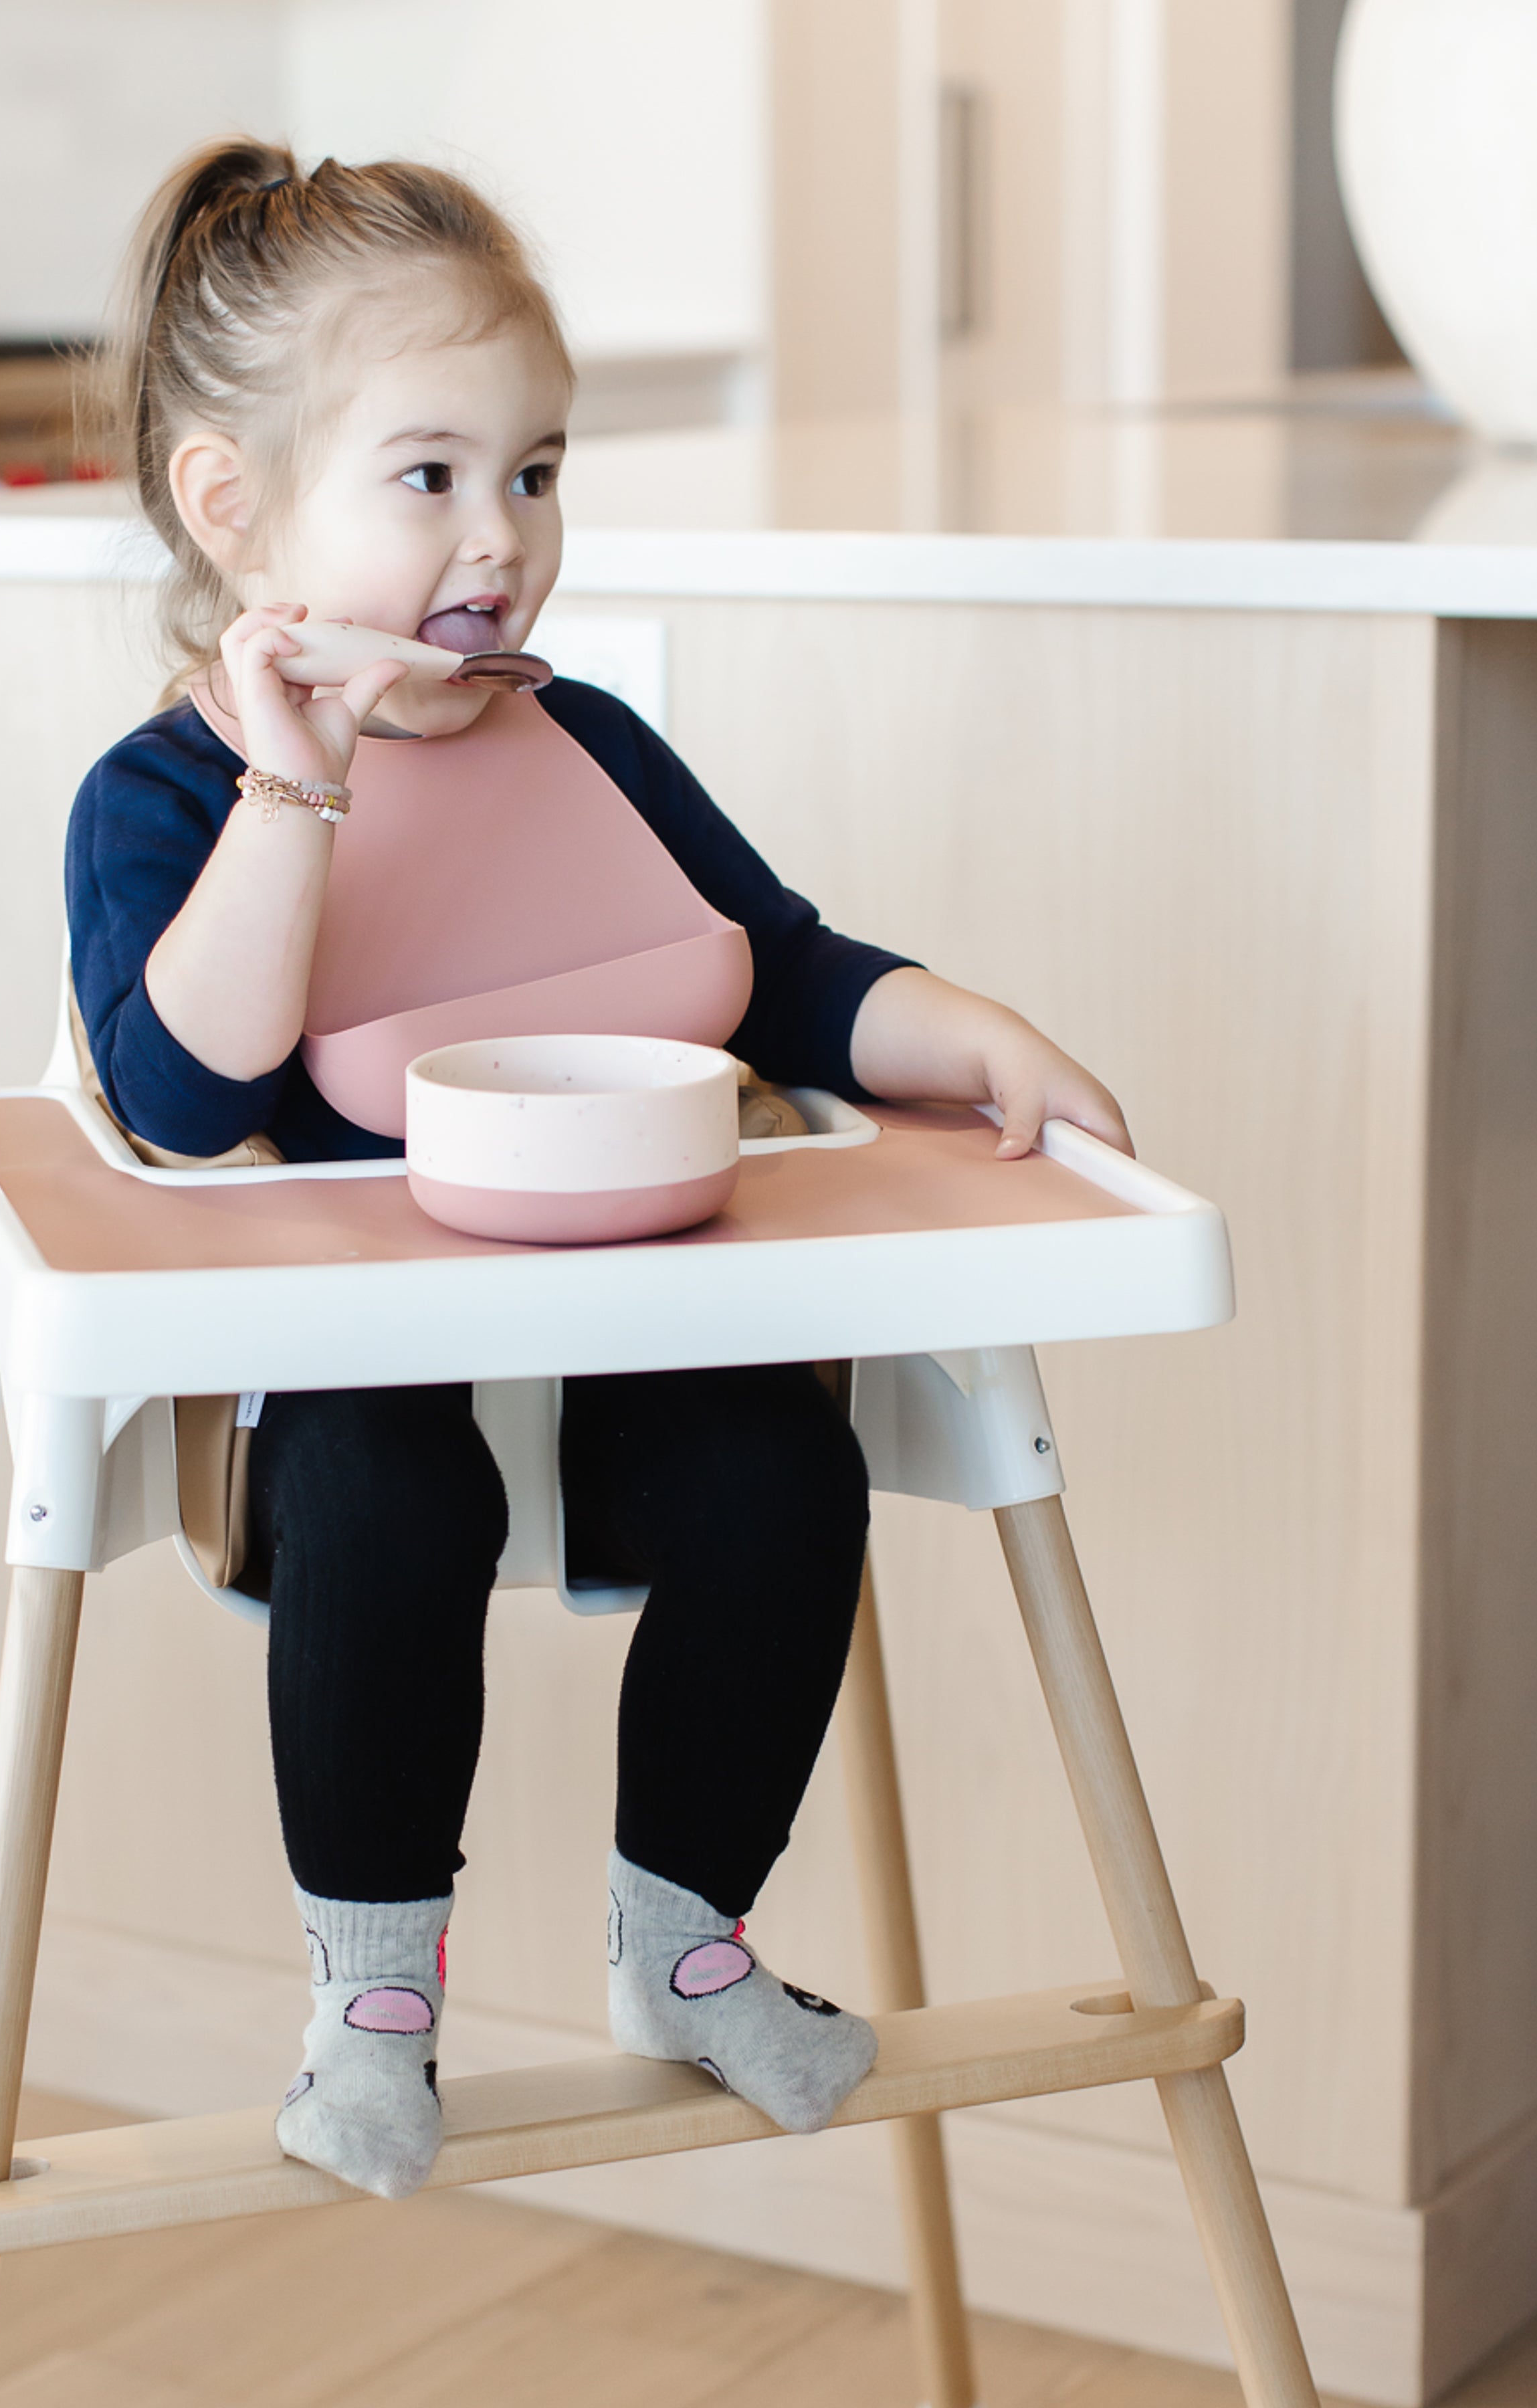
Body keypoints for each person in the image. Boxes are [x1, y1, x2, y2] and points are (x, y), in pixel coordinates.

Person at [66, 138, 1130, 2201]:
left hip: (642, 1350)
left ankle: (689, 1942)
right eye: (432, 475)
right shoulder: (167, 798)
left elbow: (783, 977)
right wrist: (301, 779)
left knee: (784, 1472)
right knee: (391, 1486)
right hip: (355, 1404)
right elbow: (184, 1102)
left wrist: (967, 1032)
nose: (501, 537)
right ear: (233, 506)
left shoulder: (601, 746)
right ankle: (373, 2005)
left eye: (537, 474)